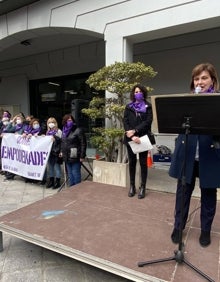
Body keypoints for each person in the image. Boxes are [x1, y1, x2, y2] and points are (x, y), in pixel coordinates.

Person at [169, 62, 220, 247]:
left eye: (204, 77)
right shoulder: (186, 101)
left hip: (210, 156)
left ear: (212, 80)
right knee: (182, 194)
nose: (200, 81)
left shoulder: (217, 101)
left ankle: (205, 231)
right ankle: (178, 226)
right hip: (187, 156)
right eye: (197, 78)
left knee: (208, 195)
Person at [123, 84, 153, 199]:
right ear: (133, 94)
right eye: (135, 92)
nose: (137, 93)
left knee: (143, 163)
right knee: (132, 162)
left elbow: (148, 122)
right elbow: (125, 121)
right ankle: (132, 186)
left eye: (139, 91)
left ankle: (143, 187)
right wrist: (131, 135)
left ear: (143, 93)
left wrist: (135, 131)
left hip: (142, 138)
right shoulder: (129, 106)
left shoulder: (148, 106)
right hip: (130, 138)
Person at [60, 114, 87, 187]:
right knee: (70, 174)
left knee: (75, 173)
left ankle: (77, 189)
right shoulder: (64, 130)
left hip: (75, 155)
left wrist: (82, 156)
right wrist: (61, 151)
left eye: (71, 120)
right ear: (64, 121)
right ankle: (71, 189)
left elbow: (83, 143)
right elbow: (62, 142)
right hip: (66, 156)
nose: (69, 121)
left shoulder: (78, 130)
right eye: (68, 120)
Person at [45, 117, 62, 189]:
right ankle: (51, 181)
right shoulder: (47, 132)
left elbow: (62, 142)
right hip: (50, 152)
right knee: (50, 167)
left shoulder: (58, 131)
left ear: (55, 123)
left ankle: (57, 182)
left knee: (57, 167)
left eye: (52, 122)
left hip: (56, 152)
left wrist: (61, 151)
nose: (51, 124)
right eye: (49, 122)